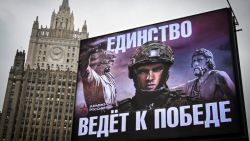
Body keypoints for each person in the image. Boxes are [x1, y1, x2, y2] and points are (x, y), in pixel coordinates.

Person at [116, 41, 197, 112]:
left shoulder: (187, 106)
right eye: (143, 71)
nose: (149, 78)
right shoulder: (120, 111)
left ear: (165, 73)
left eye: (156, 70)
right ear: (133, 75)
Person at [78, 46, 117, 114]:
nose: (112, 64)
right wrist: (88, 53)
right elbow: (84, 67)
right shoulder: (92, 76)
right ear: (102, 61)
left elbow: (114, 99)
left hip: (111, 115)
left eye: (113, 61)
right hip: (97, 115)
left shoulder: (109, 76)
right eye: (111, 61)